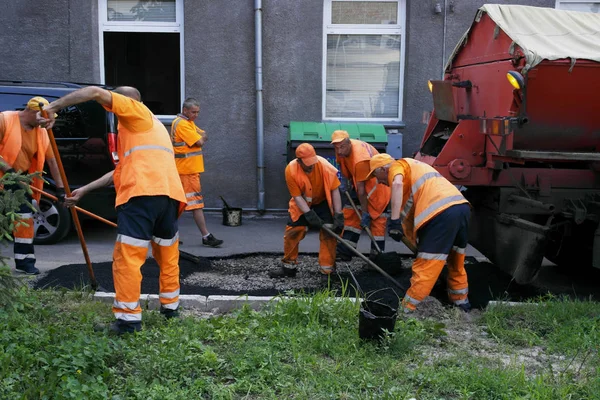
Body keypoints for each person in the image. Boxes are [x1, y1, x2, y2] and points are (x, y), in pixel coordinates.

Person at [42, 85, 187, 334]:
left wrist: (53, 107)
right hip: (168, 197)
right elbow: (119, 171)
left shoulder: (134, 111)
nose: (109, 108)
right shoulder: (148, 129)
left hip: (141, 195)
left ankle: (128, 322)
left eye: (113, 103)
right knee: (168, 256)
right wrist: (84, 190)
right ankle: (170, 310)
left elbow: (95, 92)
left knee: (127, 258)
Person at [365, 153, 472, 313]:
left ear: (383, 169)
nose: (379, 182)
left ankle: (408, 309)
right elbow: (411, 212)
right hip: (461, 208)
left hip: (441, 213)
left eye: (376, 175)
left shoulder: (397, 166)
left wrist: (394, 221)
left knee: (426, 264)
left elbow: (397, 185)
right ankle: (462, 304)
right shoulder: (415, 170)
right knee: (455, 260)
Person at [0, 96, 65, 275]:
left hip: (21, 182)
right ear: (31, 111)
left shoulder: (42, 132)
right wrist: (9, 171)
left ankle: (25, 262)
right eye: (42, 116)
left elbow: (53, 162)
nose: (45, 121)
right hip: (5, 178)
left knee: (24, 220)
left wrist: (61, 189)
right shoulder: (4, 120)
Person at [269, 143, 344, 278]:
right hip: (302, 203)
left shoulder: (325, 166)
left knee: (329, 232)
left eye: (312, 162)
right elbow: (296, 196)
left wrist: (338, 214)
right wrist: (309, 214)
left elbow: (334, 190)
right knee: (293, 231)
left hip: (323, 202)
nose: (311, 166)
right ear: (299, 161)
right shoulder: (291, 170)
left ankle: (327, 271)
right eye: (307, 164)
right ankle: (288, 267)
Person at [330, 130, 391, 261]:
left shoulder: (360, 159)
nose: (339, 151)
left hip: (378, 187)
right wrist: (345, 181)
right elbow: (342, 163)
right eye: (336, 147)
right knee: (351, 213)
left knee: (377, 222)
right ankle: (345, 251)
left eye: (342, 147)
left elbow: (362, 191)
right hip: (359, 183)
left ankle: (377, 258)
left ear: (348, 143)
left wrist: (364, 213)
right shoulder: (342, 148)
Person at [170, 97, 223, 247]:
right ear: (185, 110)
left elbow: (204, 134)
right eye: (193, 112)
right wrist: (200, 139)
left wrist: (201, 137)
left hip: (187, 170)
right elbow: (200, 141)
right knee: (196, 204)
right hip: (187, 171)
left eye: (197, 112)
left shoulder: (187, 122)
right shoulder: (183, 124)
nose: (196, 115)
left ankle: (167, 235)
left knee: (177, 205)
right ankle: (206, 236)